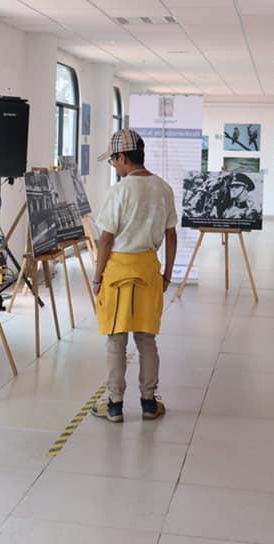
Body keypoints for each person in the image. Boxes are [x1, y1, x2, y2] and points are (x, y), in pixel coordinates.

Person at [90, 129, 177, 423]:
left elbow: (105, 240)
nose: (114, 166)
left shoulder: (119, 190)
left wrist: (97, 277)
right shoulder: (163, 188)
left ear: (123, 157)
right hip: (149, 270)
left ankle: (114, 405)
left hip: (117, 273)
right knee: (146, 340)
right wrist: (166, 275)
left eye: (114, 161)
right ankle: (149, 402)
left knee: (116, 340)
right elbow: (171, 235)